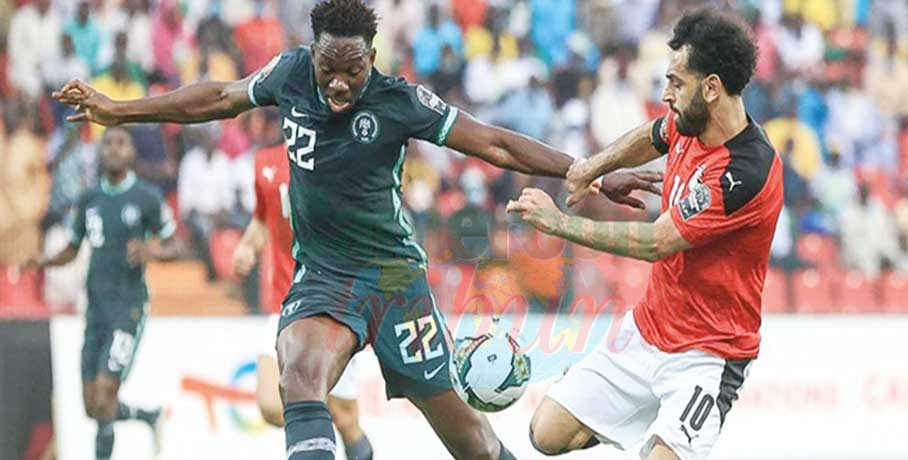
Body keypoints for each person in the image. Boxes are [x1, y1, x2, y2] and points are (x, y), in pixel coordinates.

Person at [53, 1, 655, 458]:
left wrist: (590, 172)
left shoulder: (400, 101)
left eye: (353, 70)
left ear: (373, 56)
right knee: (299, 374)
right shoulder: (289, 75)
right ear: (311, 52)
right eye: (327, 68)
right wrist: (119, 110)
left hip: (396, 280)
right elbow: (216, 98)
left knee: (468, 439)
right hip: (325, 278)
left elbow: (494, 141)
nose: (339, 84)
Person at [509, 9, 783, 460]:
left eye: (676, 82)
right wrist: (591, 168)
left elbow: (657, 243)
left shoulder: (744, 172)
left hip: (709, 354)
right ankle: (642, 423)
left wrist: (558, 224)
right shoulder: (691, 121)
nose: (665, 94)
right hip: (647, 329)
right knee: (546, 434)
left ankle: (664, 435)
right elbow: (654, 135)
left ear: (712, 87)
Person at [28, 127, 178, 460]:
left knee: (106, 393)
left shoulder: (146, 197)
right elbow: (72, 246)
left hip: (128, 307)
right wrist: (45, 260)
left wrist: (151, 252)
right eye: (107, 143)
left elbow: (176, 244)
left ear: (131, 153)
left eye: (120, 143)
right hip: (95, 308)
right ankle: (148, 416)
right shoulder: (88, 199)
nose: (112, 149)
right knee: (92, 406)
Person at [232, 110, 373, 460]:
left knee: (345, 419)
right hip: (284, 301)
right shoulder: (265, 162)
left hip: (332, 304)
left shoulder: (341, 161)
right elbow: (264, 220)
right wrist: (247, 246)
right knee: (270, 404)